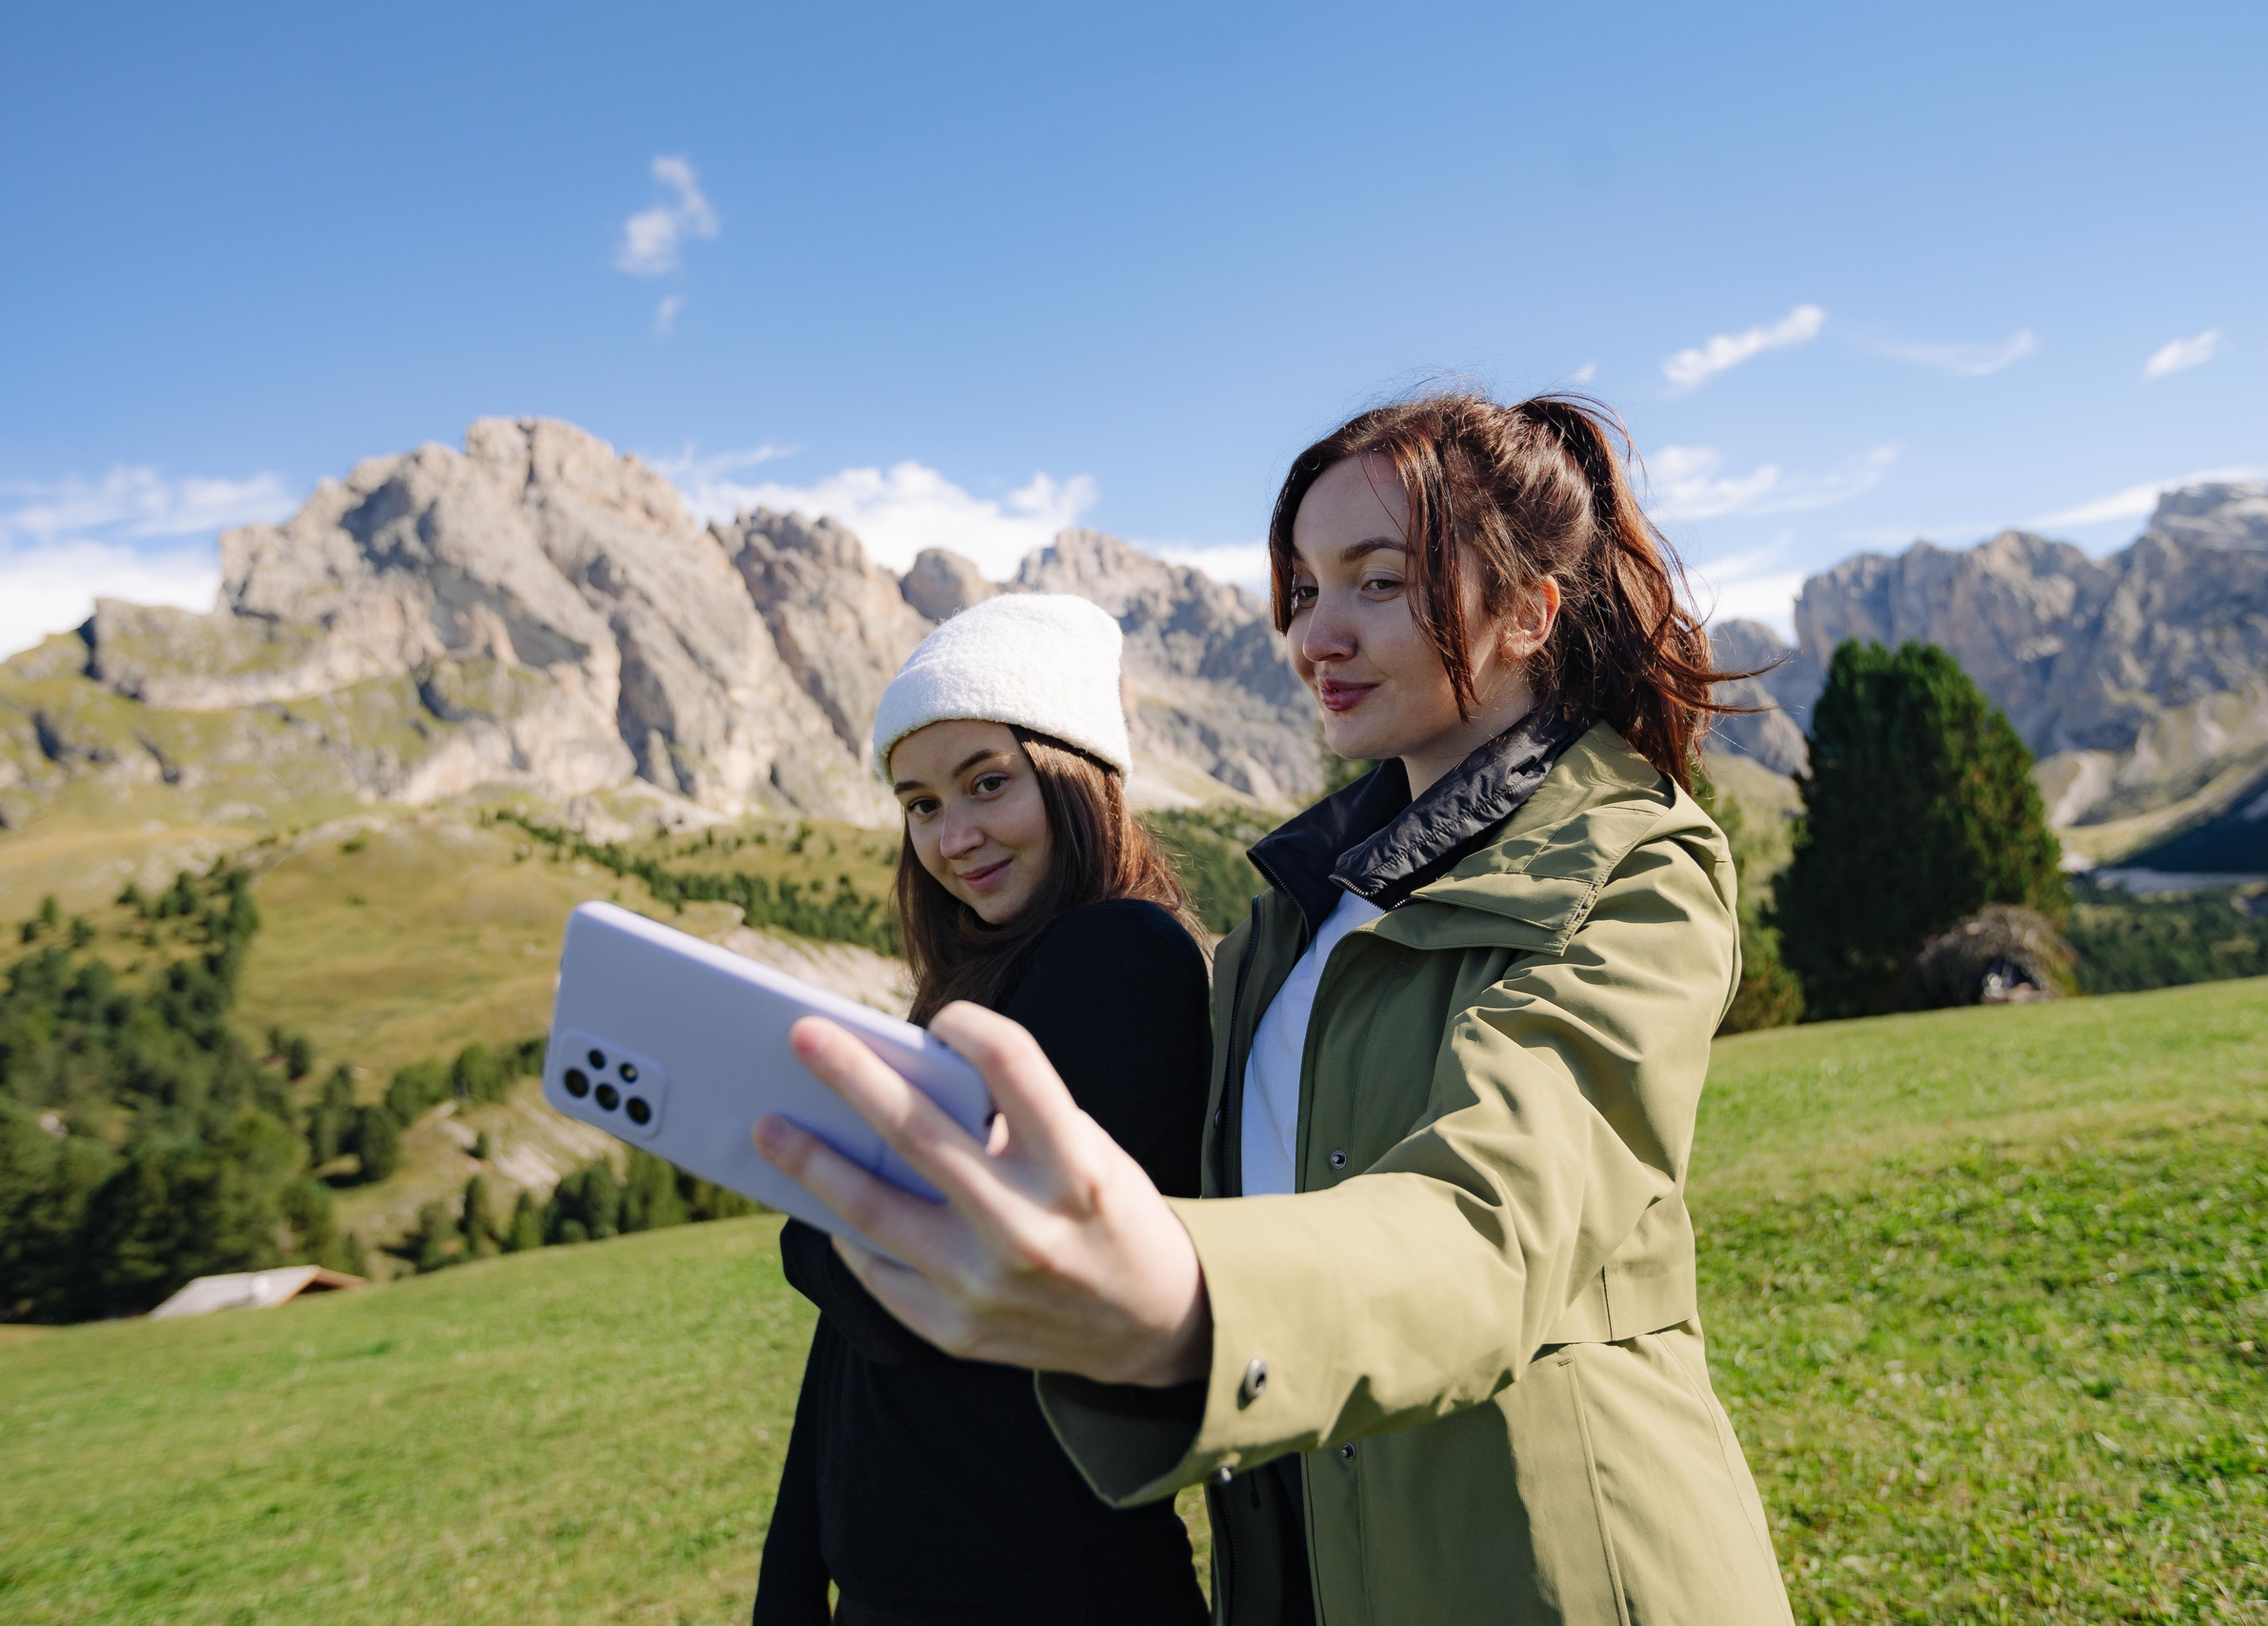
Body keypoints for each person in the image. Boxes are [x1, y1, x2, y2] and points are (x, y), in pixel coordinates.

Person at [756, 393, 1796, 1625]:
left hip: (1557, 1571)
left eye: (1376, 581)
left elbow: (1494, 1220)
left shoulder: (1635, 863)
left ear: (1529, 610)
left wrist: (1186, 1299)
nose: (1314, 634)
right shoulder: (1284, 929)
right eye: (1303, 591)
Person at [753, 593, 1213, 1626]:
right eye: (919, 804)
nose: (953, 837)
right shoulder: (994, 977)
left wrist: (813, 1228)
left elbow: (903, 1283)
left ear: (1076, 775)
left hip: (1045, 1586)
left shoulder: (1118, 955)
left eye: (988, 782)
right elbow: (849, 1341)